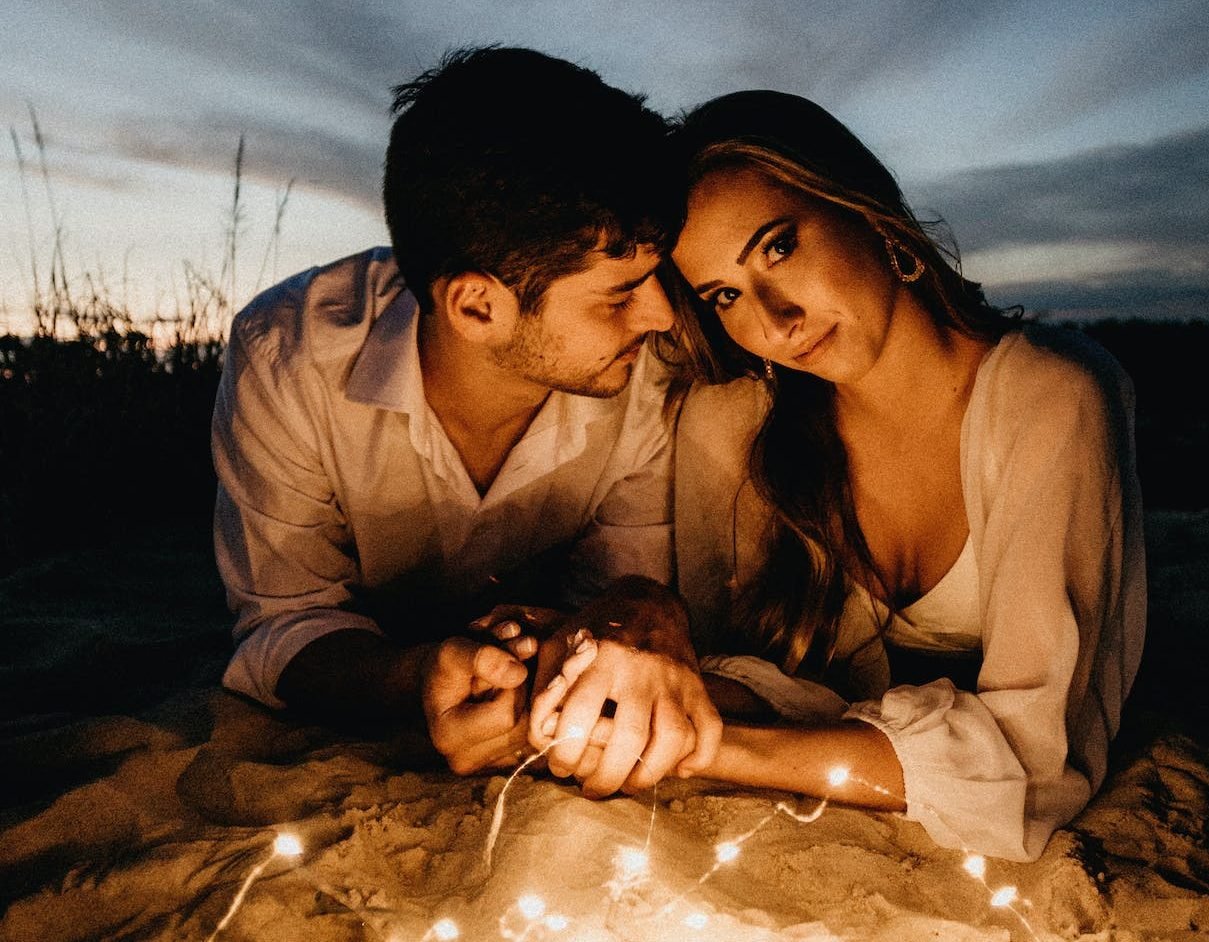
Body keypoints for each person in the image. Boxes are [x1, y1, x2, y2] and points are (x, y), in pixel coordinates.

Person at [212, 46, 719, 795]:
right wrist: (415, 676)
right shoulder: (286, 358)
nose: (661, 314)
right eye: (619, 294)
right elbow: (282, 622)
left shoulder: (646, 372)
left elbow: (624, 587)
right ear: (477, 306)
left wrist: (642, 613)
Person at [662, 91, 1146, 862]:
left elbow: (1033, 760)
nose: (774, 320)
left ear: (867, 211)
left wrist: (711, 749)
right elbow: (720, 665)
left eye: (778, 249)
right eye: (724, 295)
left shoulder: (1052, 395)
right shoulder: (734, 423)